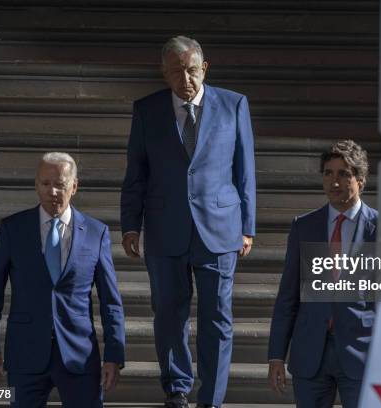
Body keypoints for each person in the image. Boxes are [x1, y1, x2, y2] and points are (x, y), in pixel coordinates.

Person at [120, 36, 256, 408]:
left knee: (217, 319)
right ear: (164, 74)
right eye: (177, 71)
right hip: (164, 229)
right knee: (168, 314)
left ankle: (211, 398)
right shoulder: (146, 110)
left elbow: (245, 170)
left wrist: (247, 226)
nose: (186, 78)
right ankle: (177, 389)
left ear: (205, 68)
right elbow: (136, 173)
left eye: (192, 69)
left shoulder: (234, 105)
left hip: (220, 227)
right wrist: (130, 224)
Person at [0, 152, 126, 408]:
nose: (52, 191)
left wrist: (114, 355)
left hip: (79, 356)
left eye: (60, 184)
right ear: (36, 185)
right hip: (25, 353)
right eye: (45, 184)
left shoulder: (96, 232)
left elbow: (111, 302)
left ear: (74, 186)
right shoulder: (13, 229)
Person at [267, 140, 377, 408]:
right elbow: (288, 296)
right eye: (328, 173)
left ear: (360, 181)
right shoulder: (304, 226)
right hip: (310, 352)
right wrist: (276, 355)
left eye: (343, 174)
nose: (334, 181)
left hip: (363, 353)